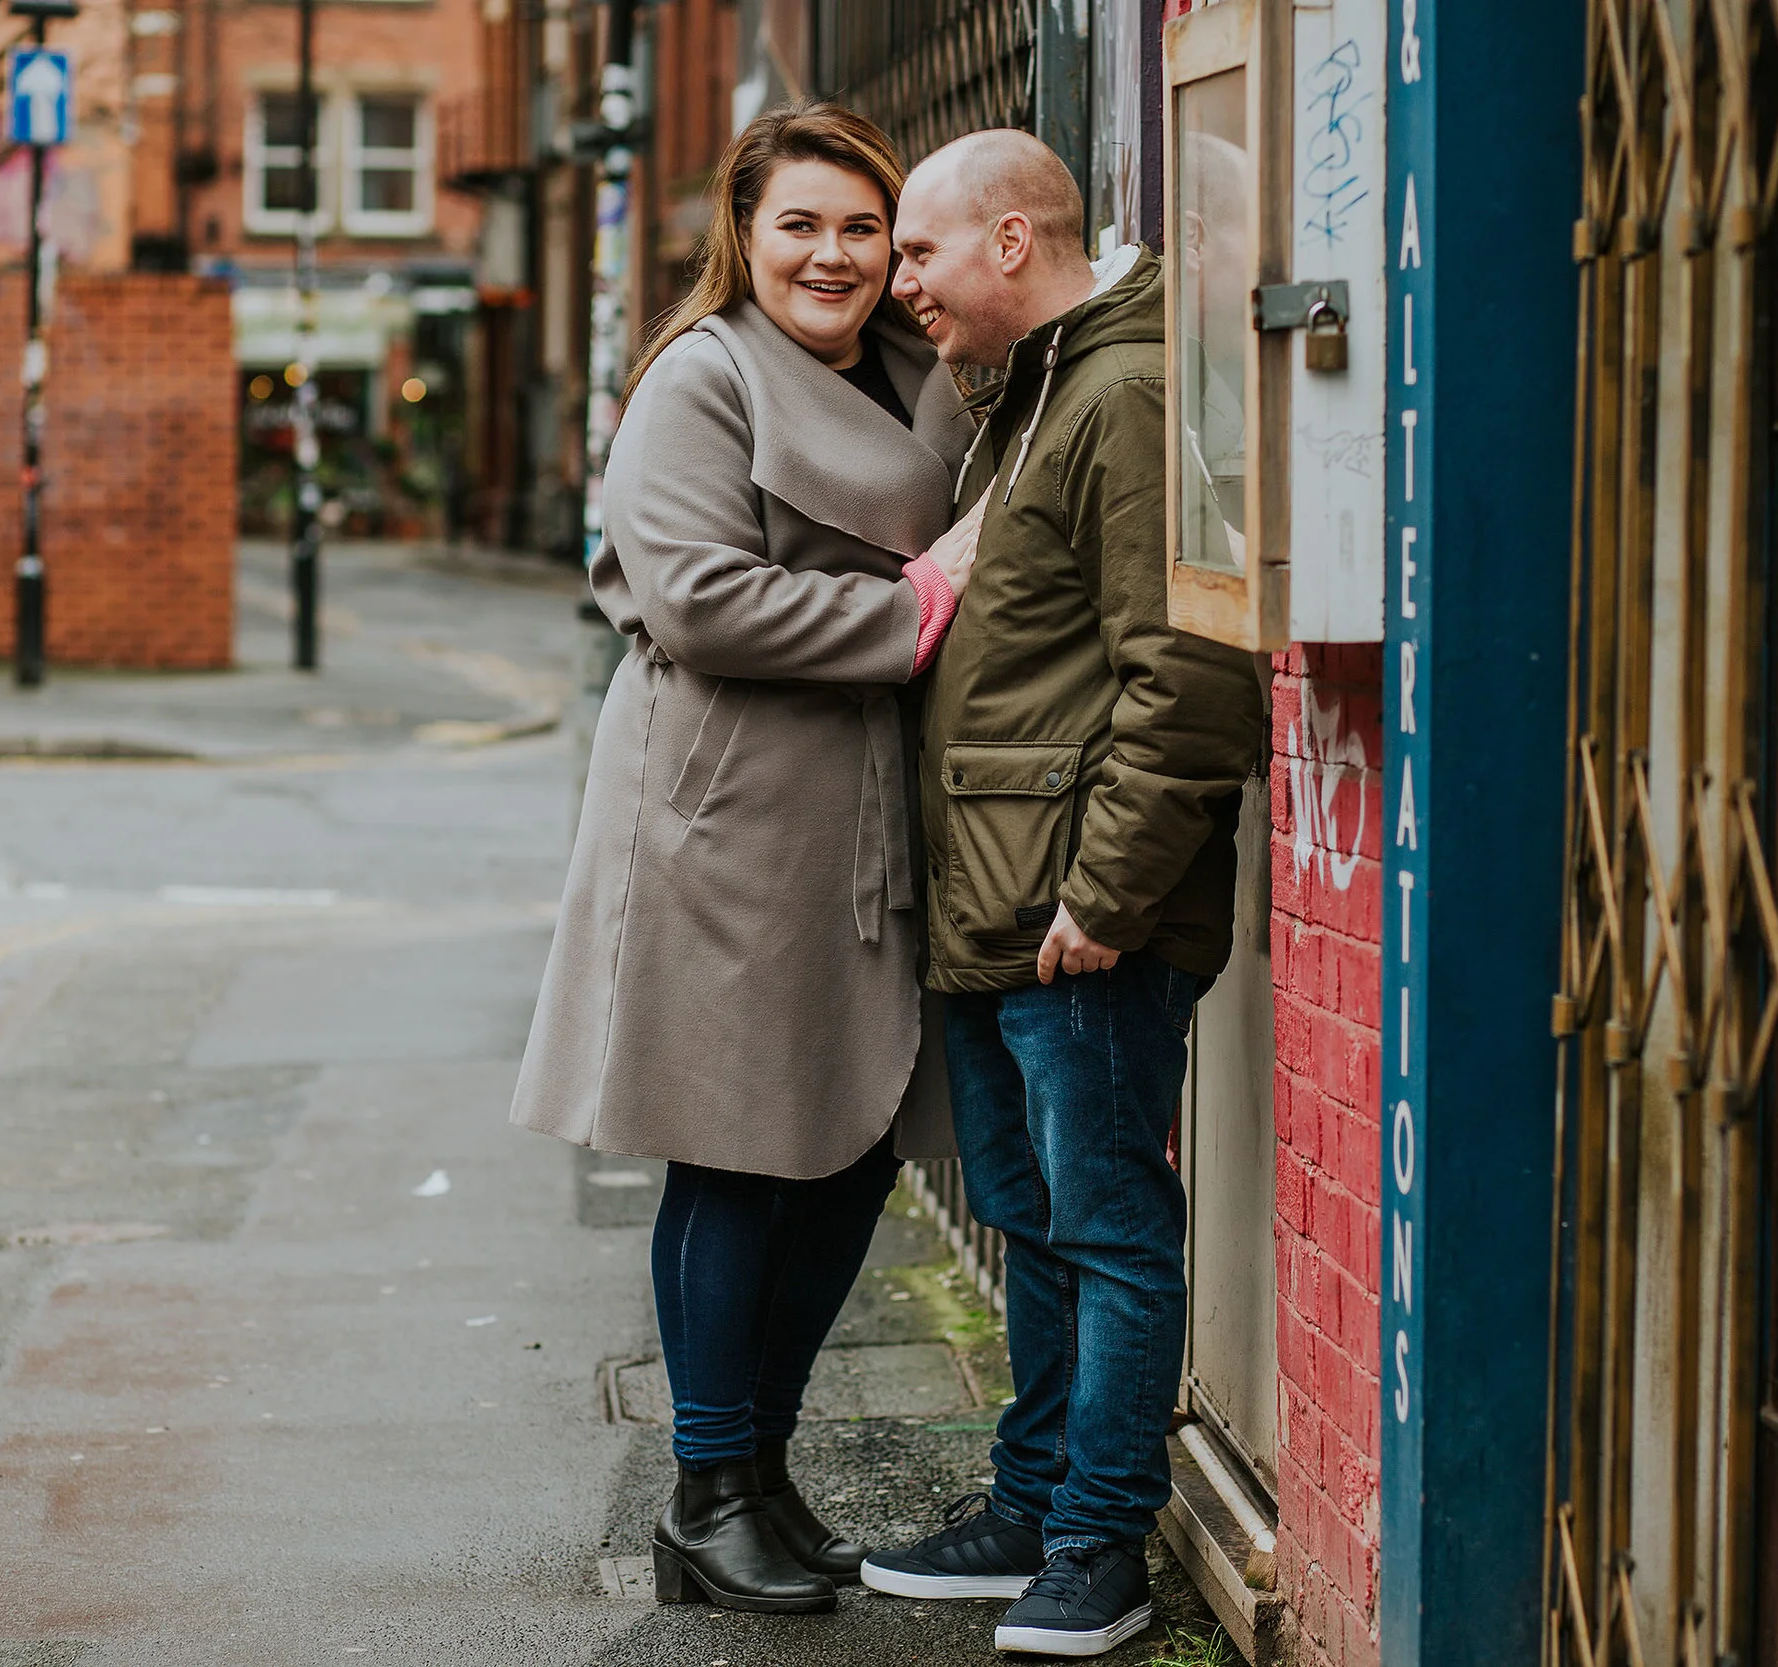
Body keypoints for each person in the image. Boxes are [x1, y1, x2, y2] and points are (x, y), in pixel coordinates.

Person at [509, 103, 986, 1617]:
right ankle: (705, 1493)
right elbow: (700, 600)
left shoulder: (924, 373)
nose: (832, 255)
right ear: (745, 234)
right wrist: (917, 608)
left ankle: (761, 1470)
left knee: (854, 1141)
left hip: (870, 805)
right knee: (732, 1144)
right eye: (801, 225)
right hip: (723, 811)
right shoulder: (700, 378)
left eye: (862, 227)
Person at [858, 130, 1265, 1657]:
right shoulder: (1032, 395)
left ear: (1014, 241)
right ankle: (1033, 1505)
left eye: (921, 252)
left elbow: (1192, 673)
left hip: (1075, 922)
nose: (903, 285)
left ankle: (1101, 1544)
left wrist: (1106, 894)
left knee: (1106, 1231)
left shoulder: (1123, 395)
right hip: (1002, 906)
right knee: (1036, 1224)